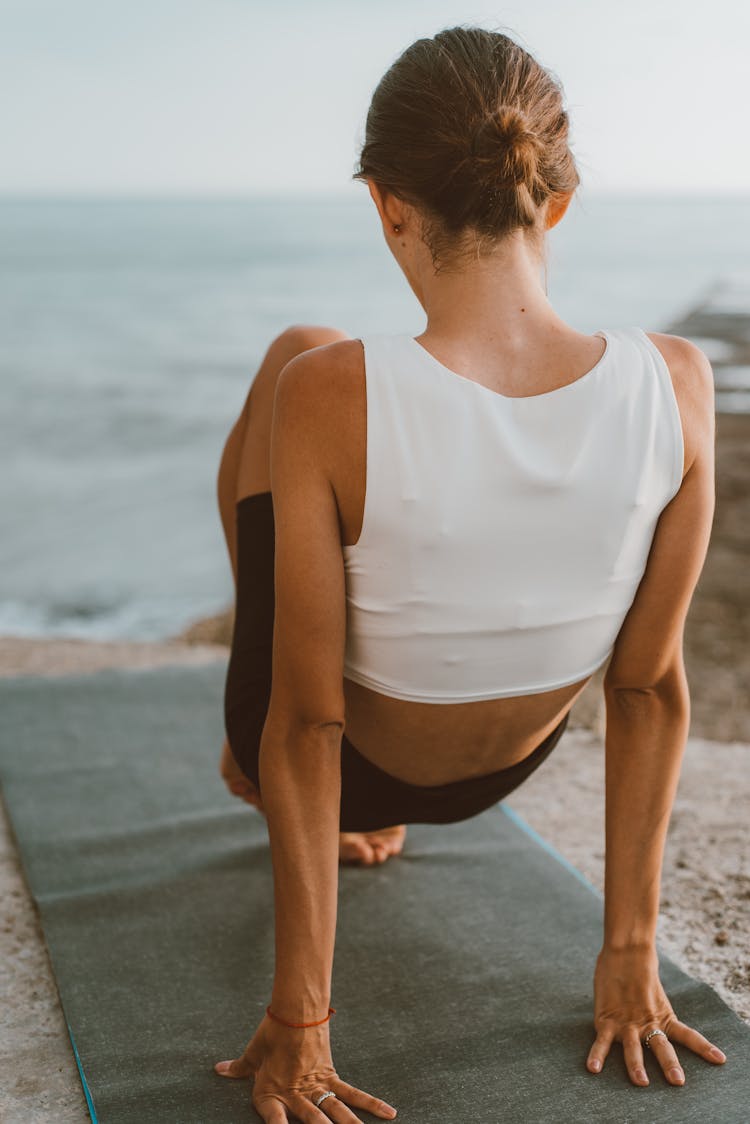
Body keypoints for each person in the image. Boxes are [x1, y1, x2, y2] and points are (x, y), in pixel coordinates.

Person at [212, 25, 726, 1123]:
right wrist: (629, 952)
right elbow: (648, 687)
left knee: (292, 351)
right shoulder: (678, 383)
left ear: (389, 205)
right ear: (559, 198)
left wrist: (303, 1024)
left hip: (338, 761)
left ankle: (229, 746)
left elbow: (305, 727)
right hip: (506, 768)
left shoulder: (328, 389)